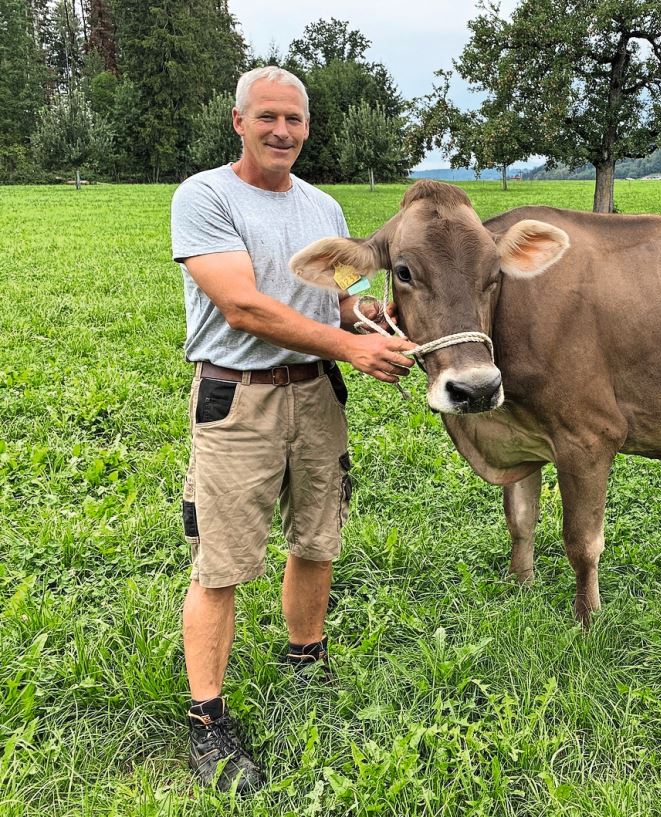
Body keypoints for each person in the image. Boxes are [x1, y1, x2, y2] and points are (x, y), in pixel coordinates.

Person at [169, 65, 417, 794]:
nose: (282, 131)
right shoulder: (206, 196)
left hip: (316, 397)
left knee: (318, 535)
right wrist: (352, 346)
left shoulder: (324, 208)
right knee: (221, 560)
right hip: (238, 400)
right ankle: (207, 719)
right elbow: (243, 306)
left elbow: (347, 305)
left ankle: (306, 658)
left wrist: (395, 325)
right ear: (238, 120)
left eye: (295, 120)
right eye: (268, 117)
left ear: (308, 128)